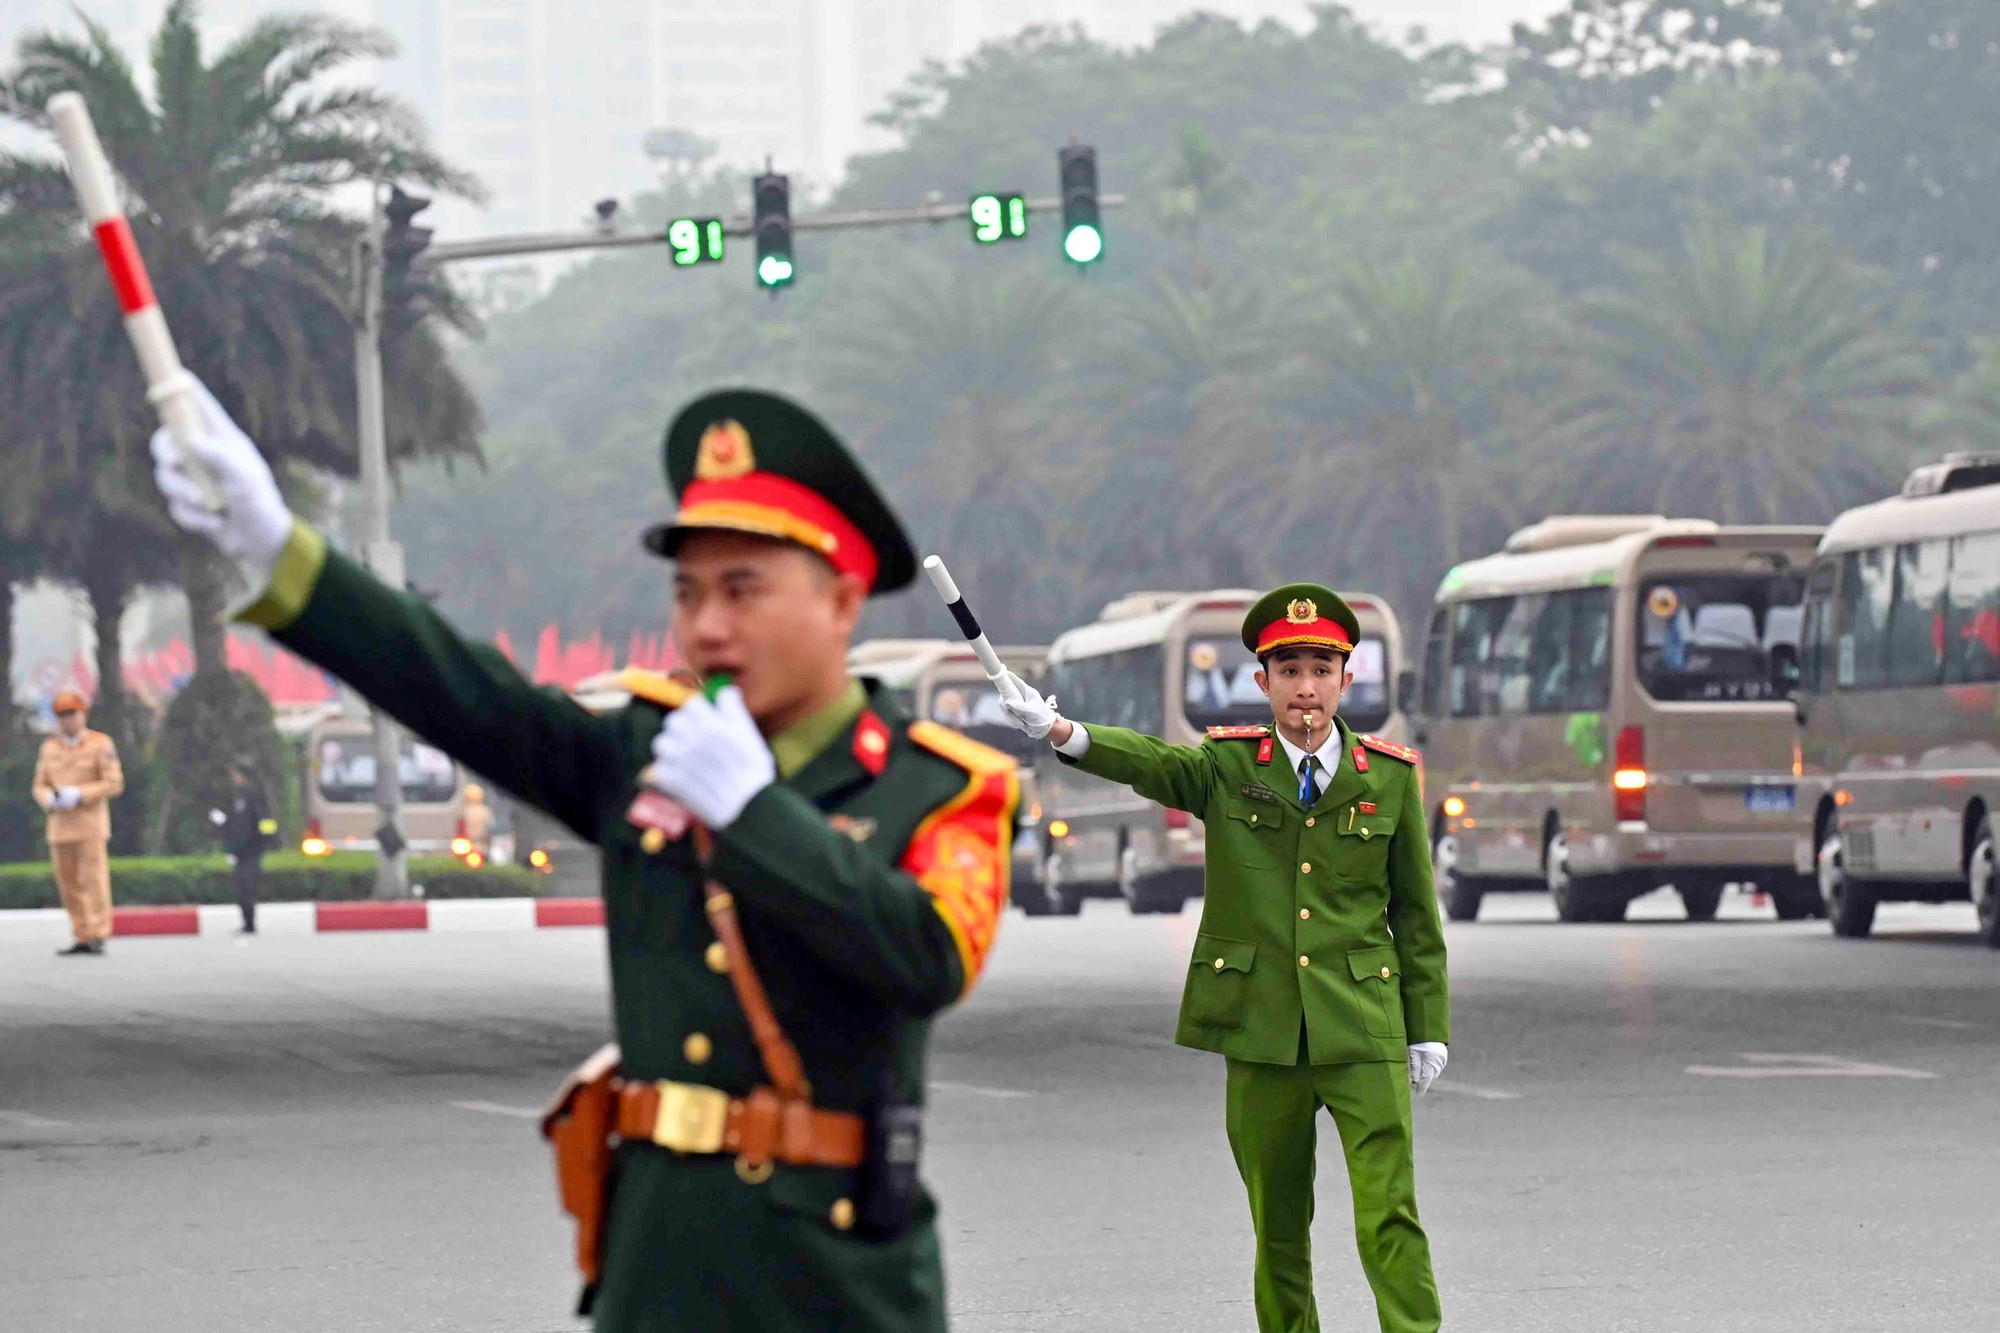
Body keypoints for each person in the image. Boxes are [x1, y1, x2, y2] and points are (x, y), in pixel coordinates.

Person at [149, 378, 1018, 1332]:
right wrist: (283, 550)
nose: (708, 625)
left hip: (838, 1284)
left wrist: (753, 812)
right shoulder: (647, 749)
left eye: (743, 588)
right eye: (687, 593)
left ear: (844, 599)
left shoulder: (939, 788)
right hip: (656, 1274)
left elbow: (927, 956)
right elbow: (469, 697)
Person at [996, 584, 1451, 1333]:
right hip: (1264, 1028)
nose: (1306, 684)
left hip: (1363, 1025)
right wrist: (1060, 729)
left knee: (1390, 1214)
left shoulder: (1390, 777)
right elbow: (1151, 762)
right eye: (1289, 668)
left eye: (1321, 667)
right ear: (1262, 682)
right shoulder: (1227, 765)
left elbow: (1416, 915)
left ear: (1347, 677)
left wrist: (1427, 1023)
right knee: (1277, 1227)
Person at [31, 691, 125, 957]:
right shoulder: (49, 747)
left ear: (83, 714)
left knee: (94, 882)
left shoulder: (100, 744)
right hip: (59, 826)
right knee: (68, 884)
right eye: (62, 715)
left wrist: (80, 793)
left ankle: (97, 934)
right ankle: (82, 933)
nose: (67, 720)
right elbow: (39, 785)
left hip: (89, 825)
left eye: (72, 713)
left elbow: (114, 783)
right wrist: (48, 798)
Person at [210, 763, 277, 934]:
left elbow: (265, 822)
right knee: (241, 890)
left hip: (252, 852)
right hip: (239, 853)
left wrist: (263, 842)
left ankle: (250, 924)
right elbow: (236, 826)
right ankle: (246, 923)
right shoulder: (238, 798)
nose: (234, 778)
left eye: (237, 775)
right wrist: (222, 823)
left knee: (248, 888)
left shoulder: (253, 796)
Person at [460, 782, 493, 860]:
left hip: (466, 847)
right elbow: (489, 829)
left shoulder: (464, 811)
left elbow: (461, 830)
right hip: (483, 847)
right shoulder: (485, 811)